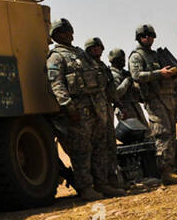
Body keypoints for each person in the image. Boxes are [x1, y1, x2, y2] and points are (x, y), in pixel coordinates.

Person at [45, 19, 106, 201]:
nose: (67, 34)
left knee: (99, 147)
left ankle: (102, 183)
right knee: (81, 150)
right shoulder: (55, 57)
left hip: (95, 106)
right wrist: (68, 106)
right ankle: (86, 187)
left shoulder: (81, 53)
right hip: (77, 109)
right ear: (55, 36)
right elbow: (56, 84)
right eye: (62, 32)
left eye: (69, 30)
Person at [127, 24, 177, 185]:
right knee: (163, 134)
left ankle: (172, 169)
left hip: (168, 98)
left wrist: (175, 73)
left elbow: (166, 75)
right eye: (144, 36)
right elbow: (136, 75)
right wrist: (158, 73)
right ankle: (165, 172)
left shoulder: (156, 55)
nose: (147, 38)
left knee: (171, 134)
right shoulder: (136, 56)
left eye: (150, 35)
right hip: (153, 100)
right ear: (139, 38)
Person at [83, 37, 126, 196]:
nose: (96, 50)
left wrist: (119, 104)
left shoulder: (103, 67)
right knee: (98, 148)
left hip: (106, 109)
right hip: (93, 111)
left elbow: (110, 90)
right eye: (92, 48)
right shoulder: (85, 66)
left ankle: (112, 181)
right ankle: (99, 183)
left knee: (110, 146)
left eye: (98, 47)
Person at [108, 48, 148, 129]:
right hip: (123, 108)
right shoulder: (111, 75)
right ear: (113, 61)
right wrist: (127, 81)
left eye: (123, 59)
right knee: (132, 133)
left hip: (135, 106)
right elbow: (116, 94)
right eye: (119, 59)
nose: (123, 61)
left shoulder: (125, 73)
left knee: (145, 132)